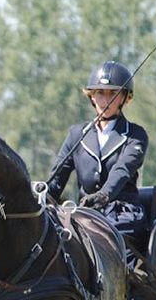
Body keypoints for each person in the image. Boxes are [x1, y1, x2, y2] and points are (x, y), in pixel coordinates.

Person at [47, 60, 149, 245]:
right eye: (100, 93)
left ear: (124, 97)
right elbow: (56, 180)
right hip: (85, 215)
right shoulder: (76, 134)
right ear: (91, 97)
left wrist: (104, 195)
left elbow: (122, 170)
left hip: (122, 216)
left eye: (113, 93)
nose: (105, 100)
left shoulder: (135, 135)